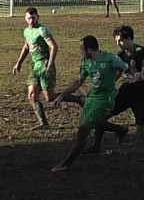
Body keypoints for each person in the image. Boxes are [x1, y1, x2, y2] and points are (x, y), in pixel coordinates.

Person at [51, 35, 131, 172]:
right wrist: (63, 95)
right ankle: (119, 129)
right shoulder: (86, 62)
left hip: (105, 101)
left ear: (88, 50)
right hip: (92, 99)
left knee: (83, 130)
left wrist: (126, 77)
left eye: (82, 49)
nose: (81, 52)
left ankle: (66, 163)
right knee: (92, 123)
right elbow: (79, 81)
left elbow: (126, 68)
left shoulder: (110, 58)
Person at [88, 24, 144, 155]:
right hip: (125, 92)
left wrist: (139, 77)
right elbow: (117, 72)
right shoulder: (120, 55)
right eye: (117, 41)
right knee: (102, 116)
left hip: (140, 95)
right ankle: (97, 145)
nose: (118, 44)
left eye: (120, 40)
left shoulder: (141, 52)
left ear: (129, 39)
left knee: (141, 131)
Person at [13, 7, 72, 129]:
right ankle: (43, 123)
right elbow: (26, 47)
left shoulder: (42, 30)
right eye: (29, 18)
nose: (31, 20)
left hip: (45, 65)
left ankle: (79, 99)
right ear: (25, 19)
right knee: (32, 95)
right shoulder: (26, 31)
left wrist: (50, 65)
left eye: (33, 18)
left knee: (49, 97)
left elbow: (54, 47)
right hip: (35, 67)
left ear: (37, 17)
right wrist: (18, 63)